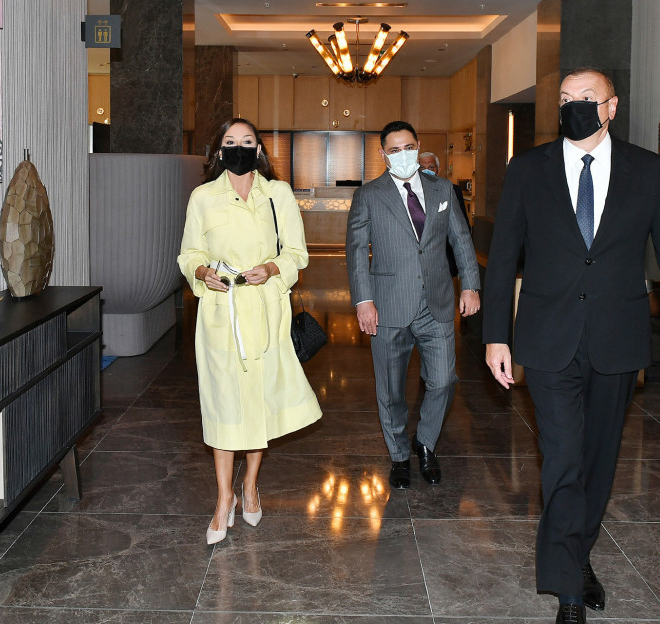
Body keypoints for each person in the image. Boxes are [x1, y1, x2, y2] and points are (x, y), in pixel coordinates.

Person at [482, 68, 660, 624]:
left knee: (598, 461)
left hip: (617, 338)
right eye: (565, 99)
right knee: (561, 458)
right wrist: (495, 335)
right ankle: (568, 590)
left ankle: (578, 555)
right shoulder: (528, 169)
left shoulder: (648, 170)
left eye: (586, 98)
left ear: (611, 107)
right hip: (547, 336)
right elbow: (503, 255)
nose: (574, 107)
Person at [178, 118, 322, 546]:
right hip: (220, 312)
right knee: (223, 404)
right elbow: (189, 253)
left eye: (246, 141)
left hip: (265, 311)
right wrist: (202, 272)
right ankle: (224, 498)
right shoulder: (203, 197)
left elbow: (297, 253)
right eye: (230, 141)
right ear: (219, 150)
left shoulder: (278, 194)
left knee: (257, 402)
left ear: (258, 150)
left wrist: (273, 268)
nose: (238, 148)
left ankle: (251, 484)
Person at [346, 121, 481, 489]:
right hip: (387, 306)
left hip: (436, 303)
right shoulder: (369, 195)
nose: (402, 155)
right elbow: (356, 252)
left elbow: (461, 240)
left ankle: (425, 443)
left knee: (443, 380)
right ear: (383, 155)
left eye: (408, 147)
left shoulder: (443, 189)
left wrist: (470, 285)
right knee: (390, 390)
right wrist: (363, 300)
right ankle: (399, 455)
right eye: (394, 150)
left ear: (418, 146)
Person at [418, 151, 469, 276]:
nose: (426, 171)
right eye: (422, 168)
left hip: (445, 258)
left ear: (438, 170)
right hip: (418, 262)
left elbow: (462, 229)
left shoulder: (451, 190)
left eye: (431, 167)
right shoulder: (409, 192)